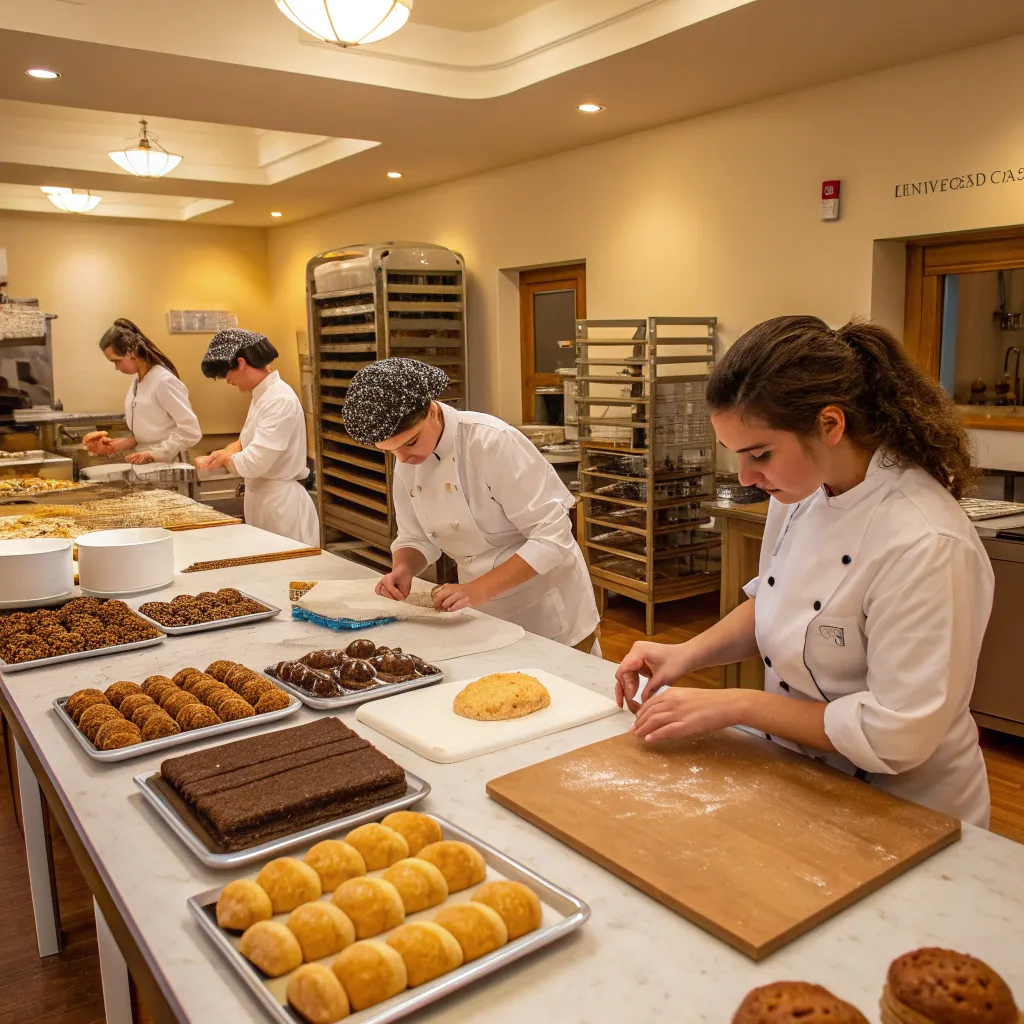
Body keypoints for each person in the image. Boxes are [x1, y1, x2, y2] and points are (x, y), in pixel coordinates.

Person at [615, 316, 993, 827]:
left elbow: (896, 733)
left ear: (830, 425)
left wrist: (738, 706)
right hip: (802, 775)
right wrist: (685, 653)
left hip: (909, 809)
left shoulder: (926, 543)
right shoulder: (800, 493)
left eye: (760, 454)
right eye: (738, 458)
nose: (747, 478)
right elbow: (775, 603)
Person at [342, 358, 601, 651]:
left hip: (546, 606)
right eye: (390, 451)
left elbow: (552, 539)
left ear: (432, 411)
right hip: (480, 609)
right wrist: (403, 568)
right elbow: (415, 536)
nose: (402, 458)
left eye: (410, 442)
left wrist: (479, 589)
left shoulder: (491, 442)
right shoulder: (408, 462)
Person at [194, 328, 319, 547]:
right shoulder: (261, 396)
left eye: (226, 374)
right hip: (261, 499)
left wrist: (223, 461)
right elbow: (244, 442)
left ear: (241, 362)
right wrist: (224, 453)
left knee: (288, 574)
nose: (227, 380)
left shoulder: (279, 400)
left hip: (281, 506)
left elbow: (254, 461)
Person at [84, 318, 201, 464]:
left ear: (131, 352)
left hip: (169, 466)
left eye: (117, 361)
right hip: (145, 466)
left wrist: (155, 453)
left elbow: (191, 431)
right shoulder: (138, 381)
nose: (116, 368)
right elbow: (150, 432)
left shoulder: (164, 381)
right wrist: (116, 445)